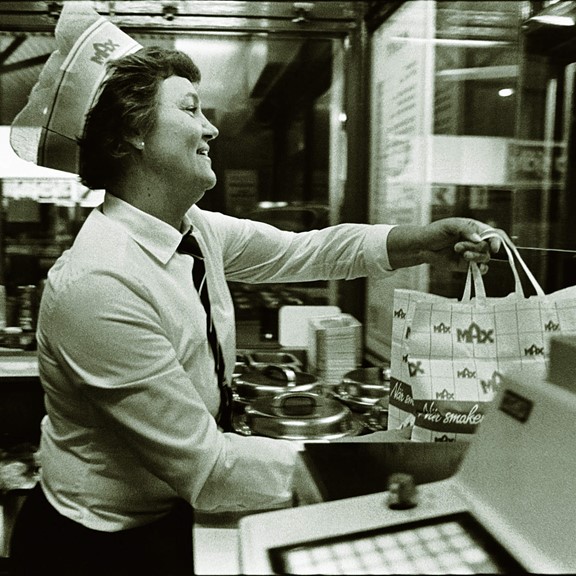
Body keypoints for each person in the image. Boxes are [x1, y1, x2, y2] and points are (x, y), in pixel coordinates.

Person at [7, 5, 501, 576]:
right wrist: (384, 465)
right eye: (190, 109)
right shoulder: (99, 285)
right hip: (97, 549)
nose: (212, 127)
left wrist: (422, 242)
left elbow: (306, 250)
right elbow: (208, 467)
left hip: (168, 514)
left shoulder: (195, 230)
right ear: (129, 137)